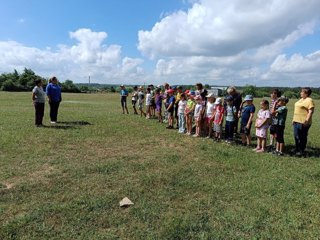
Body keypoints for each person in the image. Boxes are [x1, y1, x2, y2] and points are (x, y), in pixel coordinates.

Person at [292, 87, 315, 157]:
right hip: (296, 121)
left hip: (303, 122)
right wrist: (293, 119)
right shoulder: (301, 100)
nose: (300, 93)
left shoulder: (309, 100)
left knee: (302, 137)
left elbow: (310, 112)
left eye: (302, 92)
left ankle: (301, 150)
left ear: (306, 93)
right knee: (296, 136)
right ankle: (297, 149)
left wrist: (306, 121)